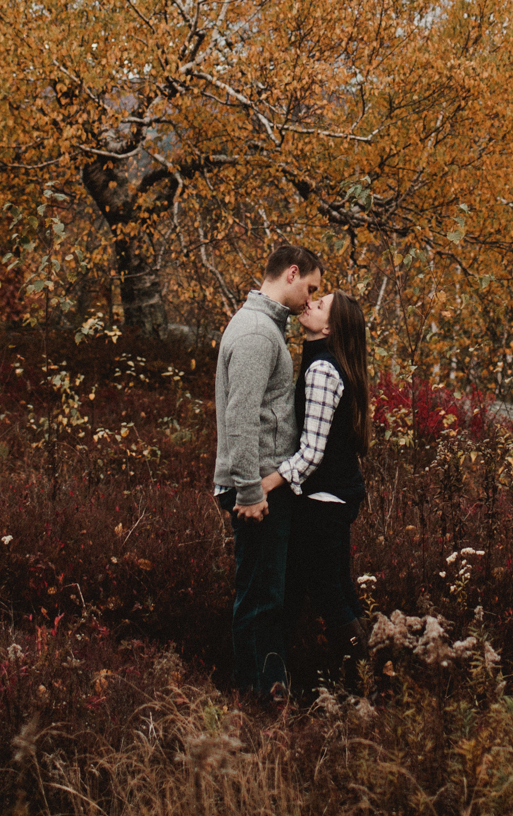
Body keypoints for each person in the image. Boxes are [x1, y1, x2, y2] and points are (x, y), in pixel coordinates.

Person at [211, 241, 318, 699]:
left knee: (263, 592)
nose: (312, 302)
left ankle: (258, 689)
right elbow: (240, 418)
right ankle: (260, 694)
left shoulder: (263, 326)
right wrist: (251, 493)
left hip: (262, 484)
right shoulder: (257, 333)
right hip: (258, 489)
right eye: (311, 289)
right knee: (261, 596)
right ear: (291, 274)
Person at [277, 288, 371, 693]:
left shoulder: (321, 371)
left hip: (323, 502)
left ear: (330, 327)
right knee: (334, 587)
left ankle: (362, 682)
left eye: (321, 305)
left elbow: (312, 453)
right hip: (333, 498)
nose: (310, 304)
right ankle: (369, 670)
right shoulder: (330, 364)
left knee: (330, 594)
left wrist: (271, 480)